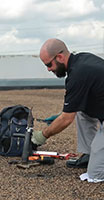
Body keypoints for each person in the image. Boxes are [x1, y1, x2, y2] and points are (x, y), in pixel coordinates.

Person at [32, 38, 104, 181]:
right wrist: (61, 114)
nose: (48, 69)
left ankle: (97, 160)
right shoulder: (82, 59)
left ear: (59, 57)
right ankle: (90, 155)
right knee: (81, 113)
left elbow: (66, 119)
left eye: (48, 64)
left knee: (95, 175)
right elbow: (74, 106)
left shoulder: (77, 75)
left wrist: (43, 135)